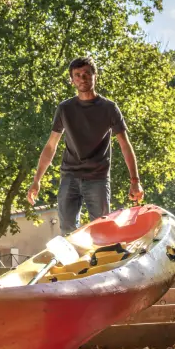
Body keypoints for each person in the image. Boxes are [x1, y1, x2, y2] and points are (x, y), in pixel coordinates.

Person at [27, 55, 144, 232]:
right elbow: (51, 145)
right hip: (69, 176)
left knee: (102, 229)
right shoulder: (65, 108)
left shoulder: (109, 108)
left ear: (94, 76)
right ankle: (74, 259)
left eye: (87, 74)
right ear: (72, 80)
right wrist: (37, 180)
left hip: (97, 177)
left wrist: (135, 180)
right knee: (67, 229)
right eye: (78, 75)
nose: (83, 78)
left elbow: (125, 145)